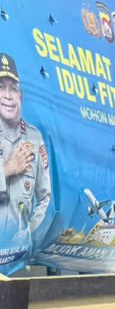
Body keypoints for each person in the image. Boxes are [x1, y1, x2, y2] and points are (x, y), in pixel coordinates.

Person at [0, 52, 52, 260]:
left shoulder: (34, 138)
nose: (8, 95)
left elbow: (45, 198)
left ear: (20, 96)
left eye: (13, 88)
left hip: (17, 256)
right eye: (1, 87)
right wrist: (7, 170)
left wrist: (27, 233)